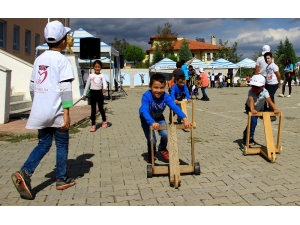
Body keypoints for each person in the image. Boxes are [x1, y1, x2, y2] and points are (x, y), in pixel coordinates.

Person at [11, 20, 76, 200]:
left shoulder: (39, 59)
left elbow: (32, 86)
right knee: (61, 144)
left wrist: (38, 102)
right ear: (63, 40)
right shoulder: (62, 60)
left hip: (41, 110)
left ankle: (25, 172)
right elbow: (65, 89)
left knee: (44, 144)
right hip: (57, 112)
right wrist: (67, 113)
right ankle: (61, 179)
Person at [139, 73, 192, 163]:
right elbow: (144, 111)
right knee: (152, 140)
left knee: (165, 134)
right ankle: (151, 154)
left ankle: (162, 148)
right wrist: (151, 122)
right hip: (146, 119)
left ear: (165, 87)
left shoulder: (166, 97)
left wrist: (184, 118)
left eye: (161, 88)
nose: (159, 91)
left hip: (159, 117)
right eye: (156, 87)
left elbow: (174, 107)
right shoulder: (146, 96)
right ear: (150, 87)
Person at [243, 74, 280, 144]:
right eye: (253, 86)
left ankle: (246, 132)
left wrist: (275, 109)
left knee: (253, 122)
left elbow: (269, 101)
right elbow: (251, 100)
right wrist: (252, 109)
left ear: (263, 86)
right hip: (250, 107)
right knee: (253, 121)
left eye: (257, 87)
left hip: (259, 108)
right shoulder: (250, 91)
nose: (255, 89)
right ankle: (250, 137)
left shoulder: (265, 92)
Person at [82, 60, 108, 132]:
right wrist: (84, 94)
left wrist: (104, 88)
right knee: (93, 110)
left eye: (98, 67)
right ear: (93, 67)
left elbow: (104, 83)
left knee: (101, 108)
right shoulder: (91, 76)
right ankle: (93, 124)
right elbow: (87, 86)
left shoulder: (102, 76)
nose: (97, 68)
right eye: (96, 67)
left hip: (99, 93)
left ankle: (104, 121)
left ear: (101, 68)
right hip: (92, 93)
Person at [264, 52, 281, 122]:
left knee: (270, 98)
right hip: (268, 84)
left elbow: (278, 75)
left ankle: (273, 114)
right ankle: (268, 110)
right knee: (267, 97)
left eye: (268, 58)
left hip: (273, 84)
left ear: (271, 58)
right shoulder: (267, 67)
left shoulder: (274, 66)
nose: (267, 60)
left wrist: (279, 83)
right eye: (266, 59)